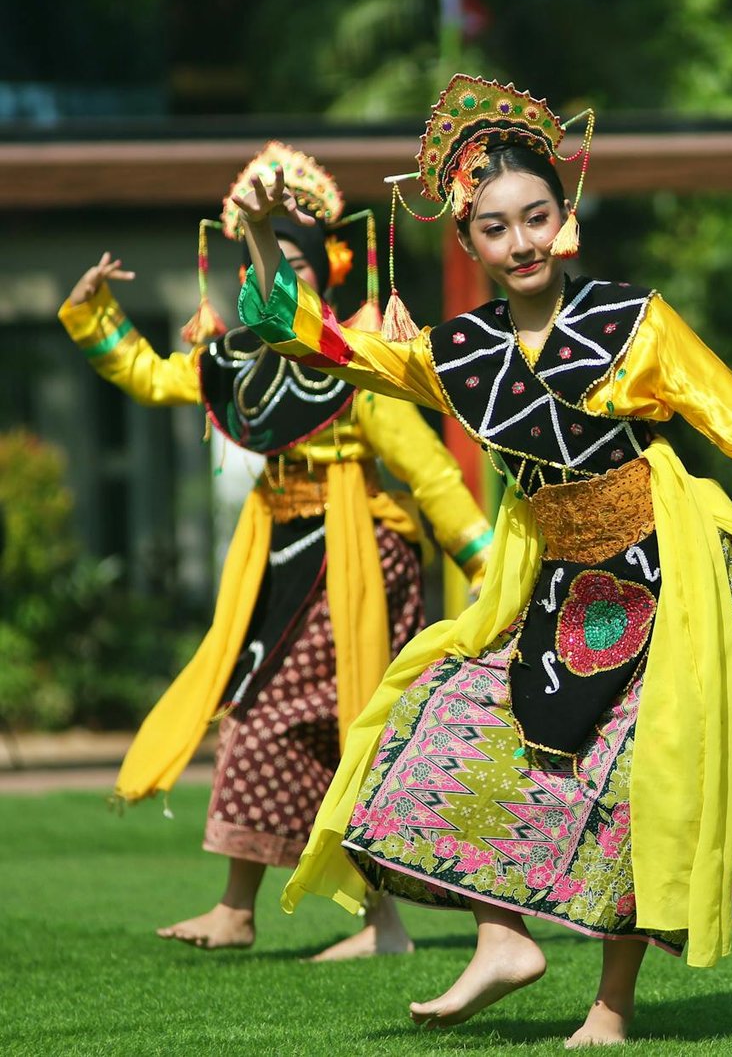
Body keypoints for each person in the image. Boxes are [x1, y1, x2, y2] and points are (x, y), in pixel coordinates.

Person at [235, 75, 732, 1046]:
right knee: (443, 720)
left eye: (535, 218)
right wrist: (263, 237)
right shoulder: (457, 351)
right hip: (557, 584)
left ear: (565, 220)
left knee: (640, 789)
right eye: (493, 227)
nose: (519, 242)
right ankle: (501, 938)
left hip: (667, 572)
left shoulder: (632, 324)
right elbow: (307, 335)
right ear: (469, 242)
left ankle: (610, 1008)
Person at [57, 142, 492, 960]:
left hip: (355, 559)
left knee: (288, 719)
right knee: (321, 731)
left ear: (322, 272)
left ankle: (262, 912)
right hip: (279, 559)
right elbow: (152, 378)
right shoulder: (235, 361)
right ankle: (365, 924)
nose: (272, 278)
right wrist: (92, 317)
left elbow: (430, 474)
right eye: (261, 262)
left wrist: (488, 567)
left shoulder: (352, 361)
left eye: (289, 262)